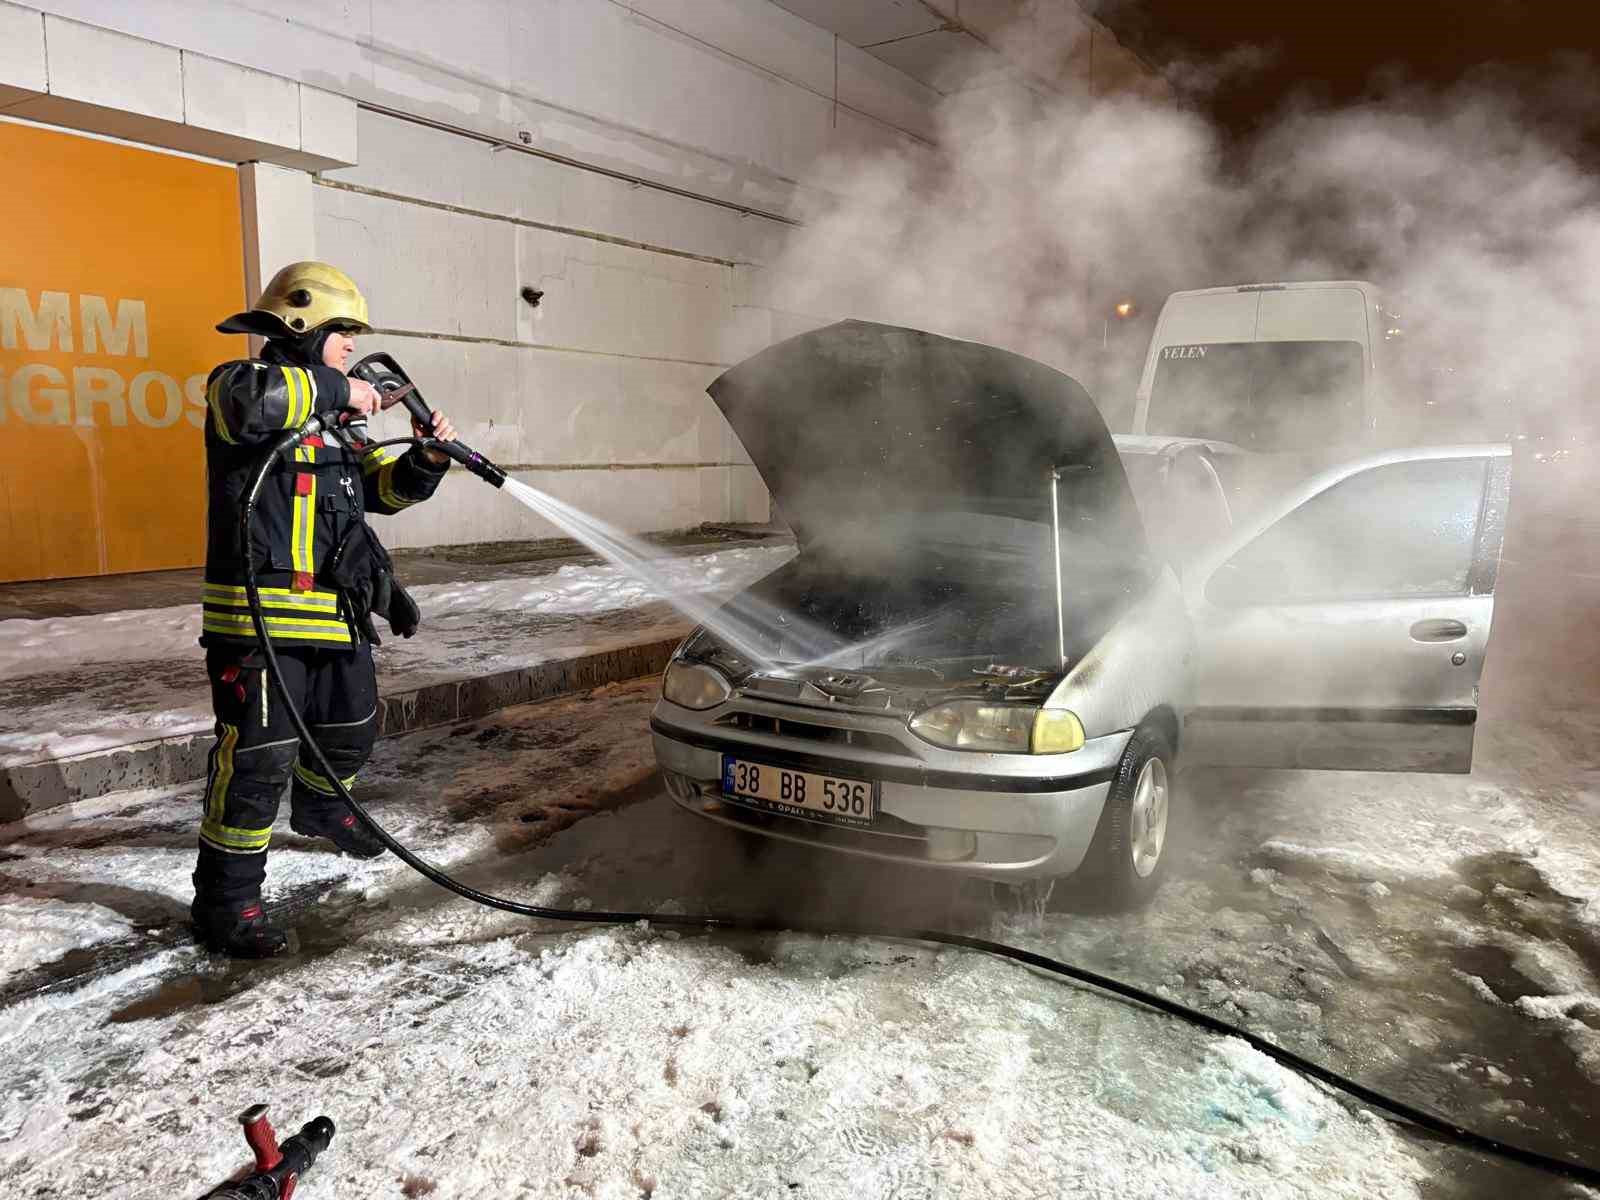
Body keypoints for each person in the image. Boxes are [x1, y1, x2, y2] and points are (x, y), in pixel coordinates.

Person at [193, 261, 458, 958]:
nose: (351, 343)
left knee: (350, 731)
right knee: (257, 761)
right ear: (302, 325)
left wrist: (426, 461)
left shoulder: (338, 425)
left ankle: (321, 806)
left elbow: (382, 493)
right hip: (259, 623)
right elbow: (254, 406)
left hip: (336, 618)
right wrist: (347, 391)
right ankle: (227, 903)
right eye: (343, 330)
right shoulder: (240, 389)